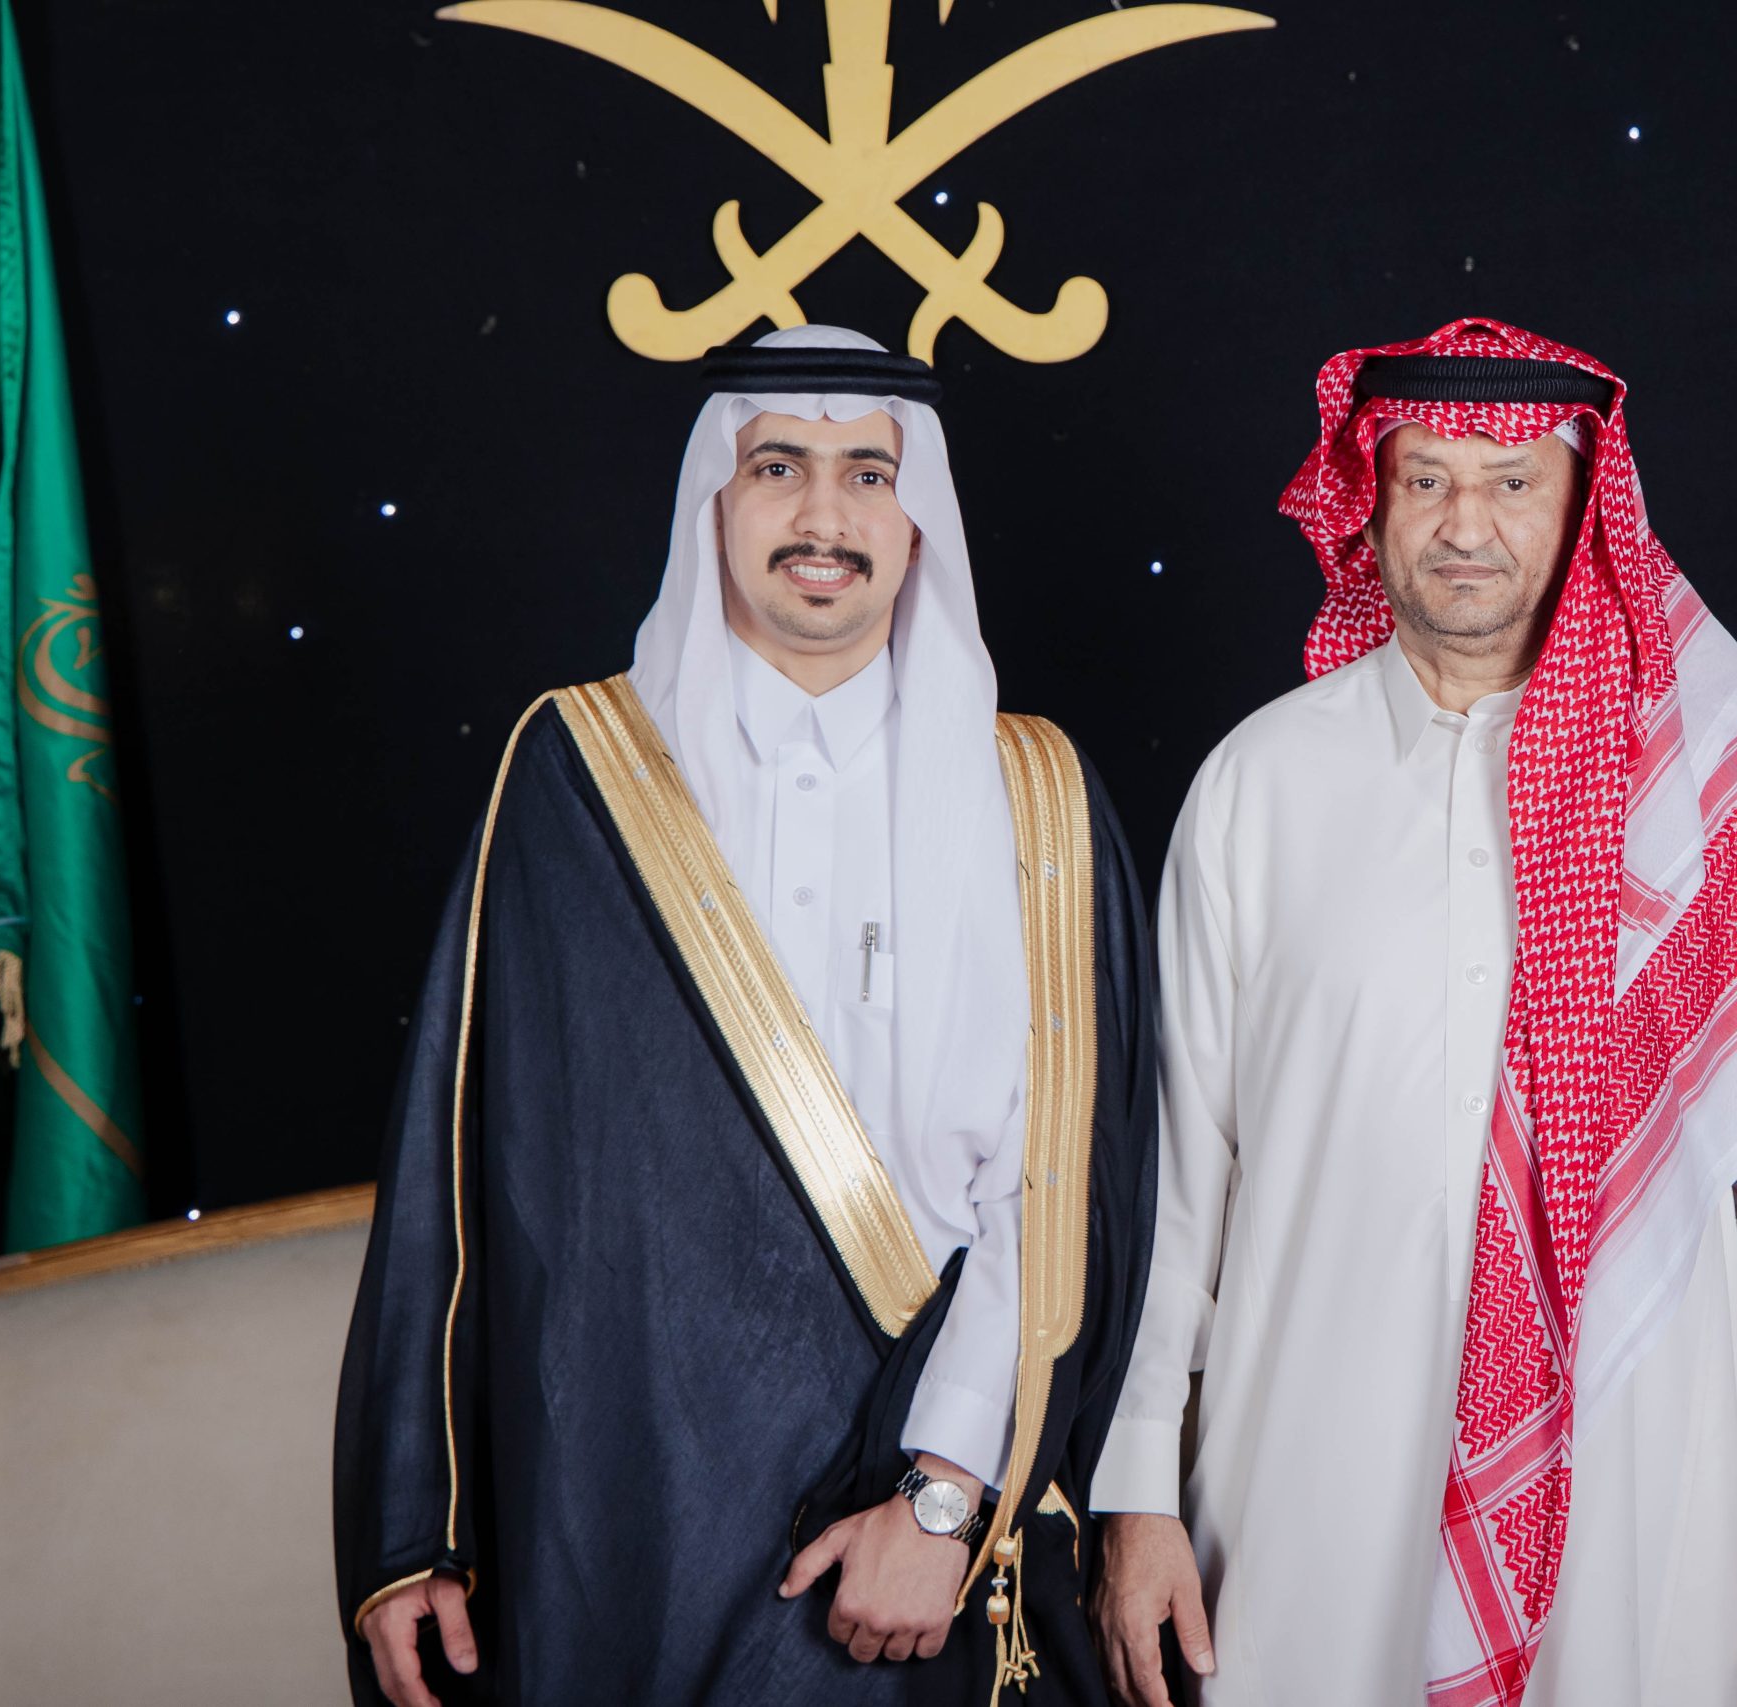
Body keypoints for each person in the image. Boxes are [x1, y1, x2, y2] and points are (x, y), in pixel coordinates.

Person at [334, 326, 1157, 1707]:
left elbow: (1060, 1190)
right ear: (712, 500)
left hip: (923, 1520)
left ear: (917, 517)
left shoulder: (1036, 796)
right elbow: (459, 1172)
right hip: (622, 1511)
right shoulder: (578, 768)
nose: (825, 516)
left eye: (868, 475)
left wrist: (944, 1493)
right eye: (778, 467)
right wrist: (422, 1520)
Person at [1087, 319, 1737, 1707]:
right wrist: (1136, 1493)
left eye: (1513, 481)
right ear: (1372, 503)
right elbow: (1174, 1184)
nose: (1465, 525)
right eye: (1426, 480)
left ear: (1584, 504)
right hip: (1303, 1504)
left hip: (1634, 1501)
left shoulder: (1700, 790)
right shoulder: (1258, 789)